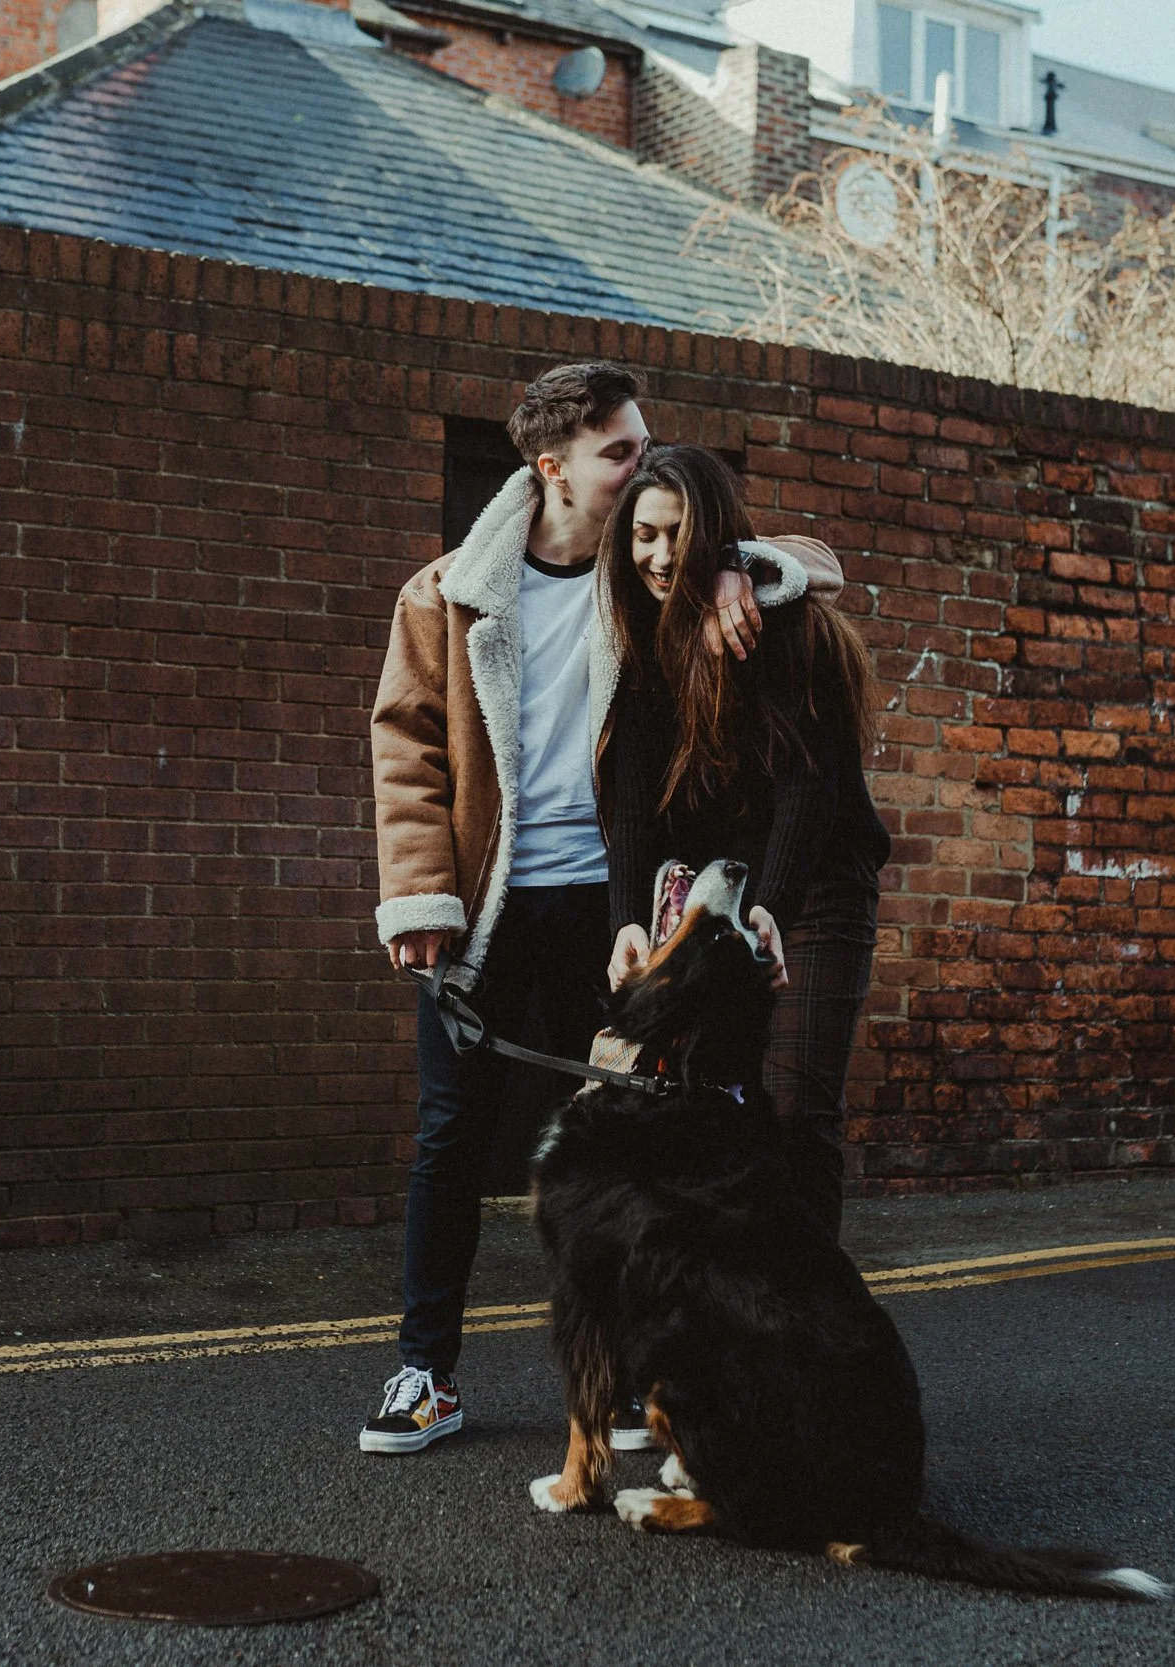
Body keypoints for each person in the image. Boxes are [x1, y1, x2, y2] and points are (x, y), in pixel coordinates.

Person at [363, 365, 840, 1455]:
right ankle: (424, 1373)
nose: (641, 463)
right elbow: (405, 747)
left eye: (643, 444)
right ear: (555, 468)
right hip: (483, 909)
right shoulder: (447, 593)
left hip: (610, 906)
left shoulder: (655, 575)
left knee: (623, 1144)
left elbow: (820, 562)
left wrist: (738, 566)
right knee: (450, 1138)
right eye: (619, 451)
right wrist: (418, 894)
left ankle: (626, 1375)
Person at [596, 444, 888, 1241]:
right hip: (717, 901)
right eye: (645, 535)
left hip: (815, 886)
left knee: (795, 1108)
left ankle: (805, 1304)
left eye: (679, 534)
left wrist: (773, 911)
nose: (661, 556)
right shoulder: (637, 646)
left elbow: (809, 786)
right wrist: (627, 921)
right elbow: (632, 810)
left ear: (717, 537)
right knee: (712, 1107)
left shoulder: (783, 626)